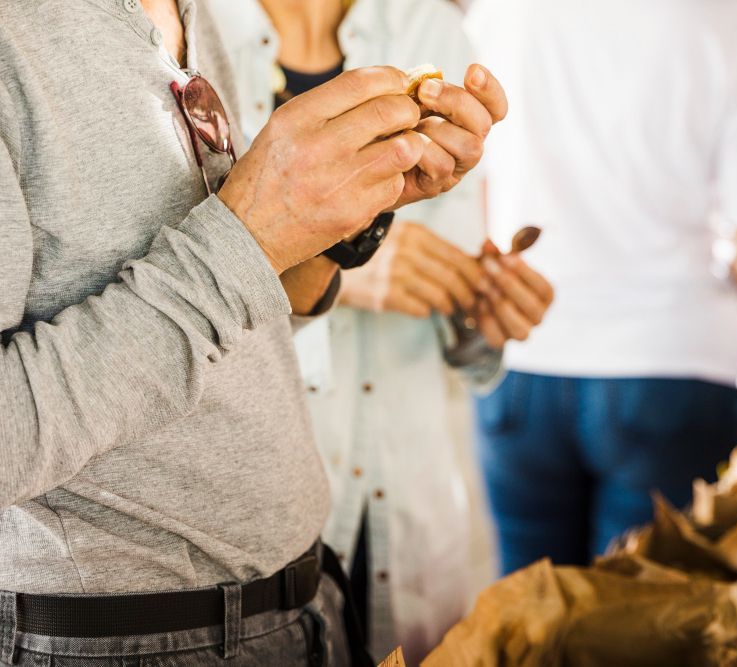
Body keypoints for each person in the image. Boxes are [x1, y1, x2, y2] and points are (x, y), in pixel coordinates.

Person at [0, 0, 508, 665]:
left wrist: (350, 210)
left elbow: (243, 317)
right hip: (116, 639)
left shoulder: (189, 10)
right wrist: (244, 236)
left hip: (299, 608)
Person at [207, 0, 553, 660]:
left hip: (413, 488)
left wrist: (483, 311)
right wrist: (343, 264)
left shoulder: (431, 30)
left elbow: (455, 296)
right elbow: (168, 308)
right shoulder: (191, 30)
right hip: (255, 522)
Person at [466, 0, 737, 575]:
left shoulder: (501, 12)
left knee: (525, 623)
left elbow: (473, 203)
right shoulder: (731, 23)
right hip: (673, 359)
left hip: (521, 356)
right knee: (643, 622)